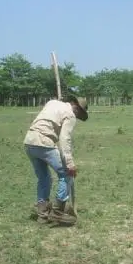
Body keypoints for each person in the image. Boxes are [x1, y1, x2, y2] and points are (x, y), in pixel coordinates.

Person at [23, 95, 89, 225]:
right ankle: (58, 210)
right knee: (67, 174)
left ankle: (42, 214)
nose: (77, 116)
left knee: (44, 178)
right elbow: (64, 140)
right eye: (79, 112)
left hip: (29, 142)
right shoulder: (69, 114)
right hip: (44, 142)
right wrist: (70, 164)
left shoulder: (52, 102)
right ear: (75, 106)